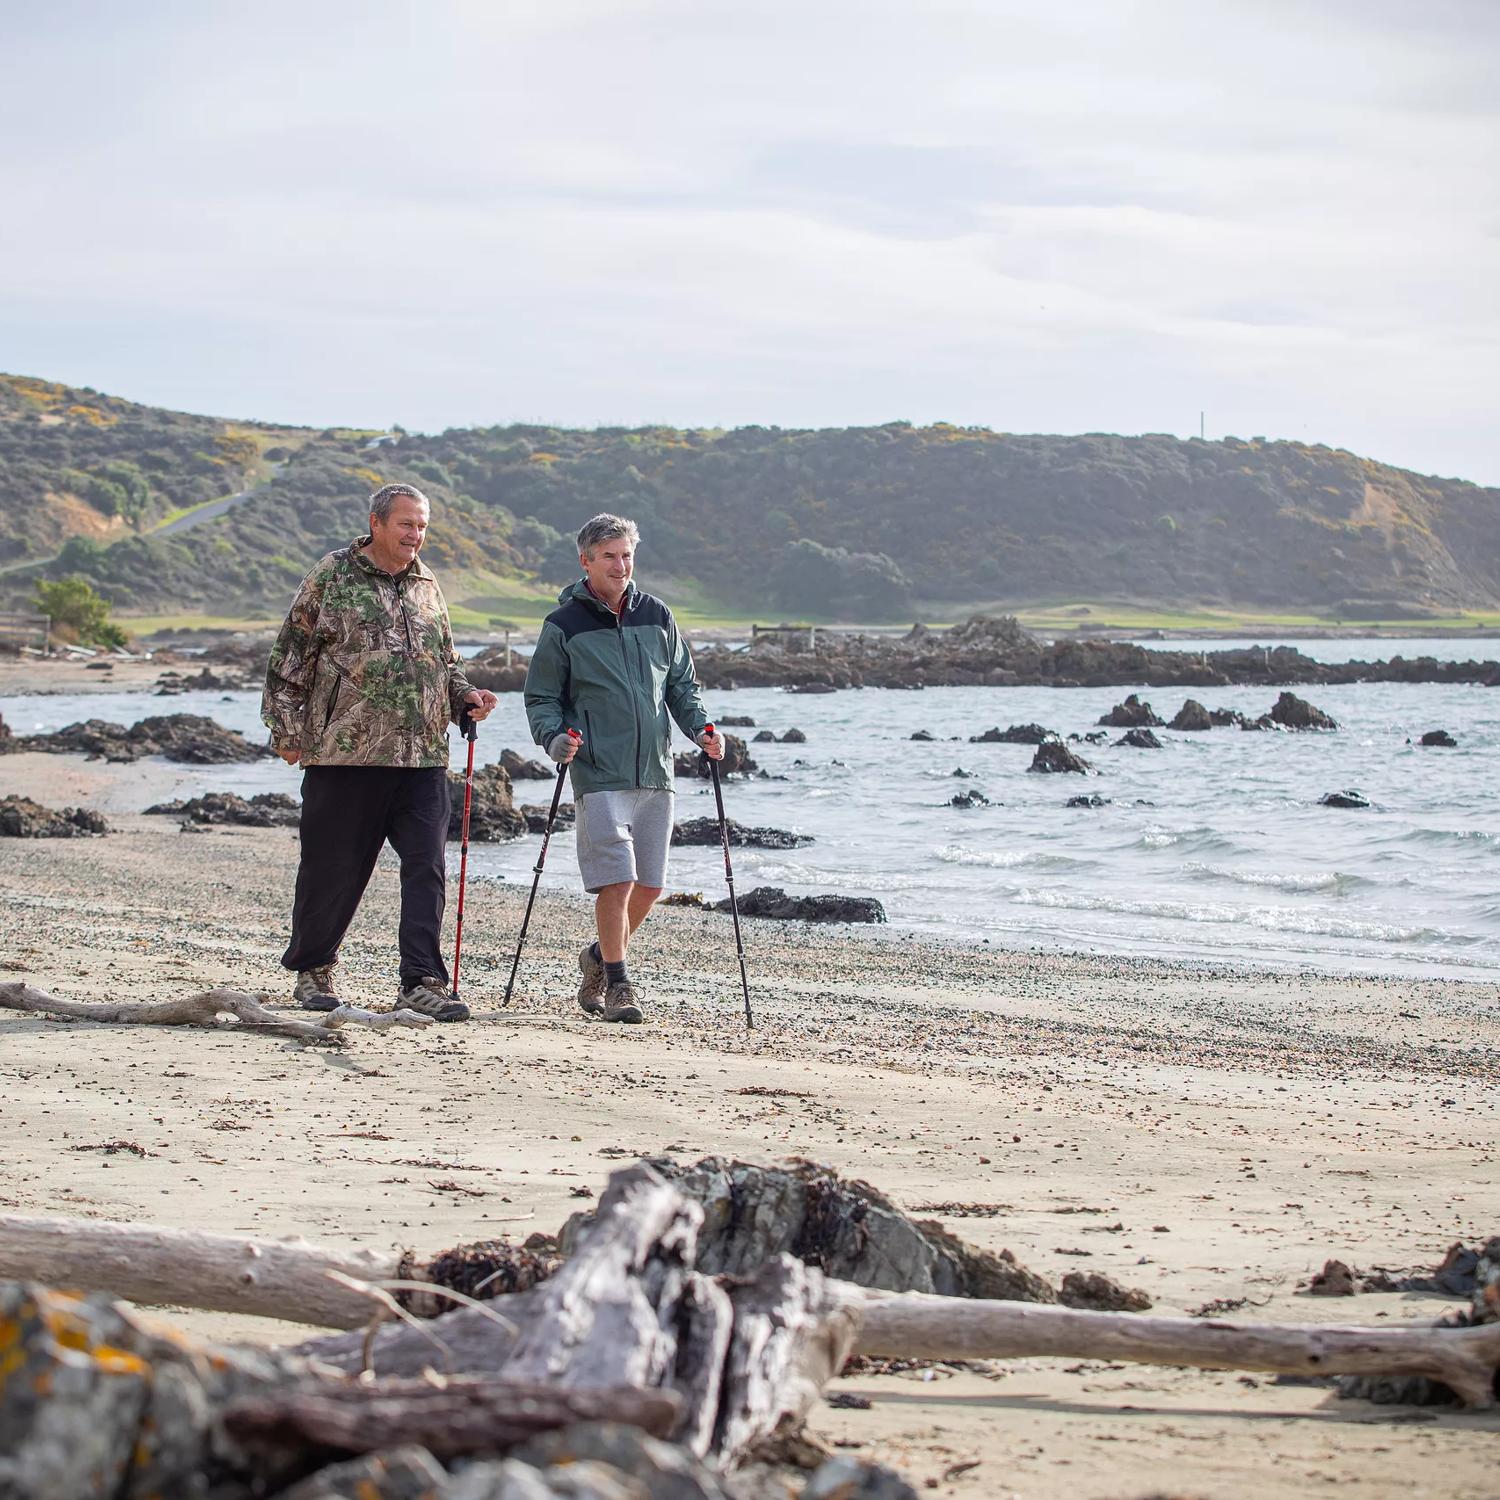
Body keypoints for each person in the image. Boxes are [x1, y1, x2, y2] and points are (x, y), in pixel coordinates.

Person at [261, 482, 498, 1022]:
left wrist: (466, 697)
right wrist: (286, 731)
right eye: (406, 524)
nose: (416, 535)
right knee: (333, 868)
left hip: (421, 756)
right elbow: (289, 658)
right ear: (376, 523)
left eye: (422, 526)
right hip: (345, 753)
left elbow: (445, 661)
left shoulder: (428, 584)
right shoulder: (332, 575)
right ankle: (314, 969)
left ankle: (421, 980)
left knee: (425, 867)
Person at [523, 513, 723, 1024]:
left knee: (650, 885)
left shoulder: (657, 615)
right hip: (597, 770)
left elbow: (681, 686)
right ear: (585, 560)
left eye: (627, 554)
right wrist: (553, 738)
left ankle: (596, 956)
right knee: (618, 881)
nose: (620, 564)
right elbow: (542, 696)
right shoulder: (563, 624)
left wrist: (700, 730)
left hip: (655, 769)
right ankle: (618, 983)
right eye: (609, 556)